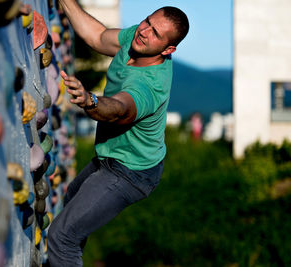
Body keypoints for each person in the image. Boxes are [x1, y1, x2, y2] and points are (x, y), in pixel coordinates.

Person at [47, 1, 189, 266]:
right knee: (73, 201)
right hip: (112, 157)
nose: (145, 31)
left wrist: (90, 100)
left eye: (156, 33)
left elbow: (118, 110)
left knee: (62, 237)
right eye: (148, 21)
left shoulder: (150, 85)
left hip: (131, 173)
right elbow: (98, 37)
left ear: (169, 49)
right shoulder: (138, 39)